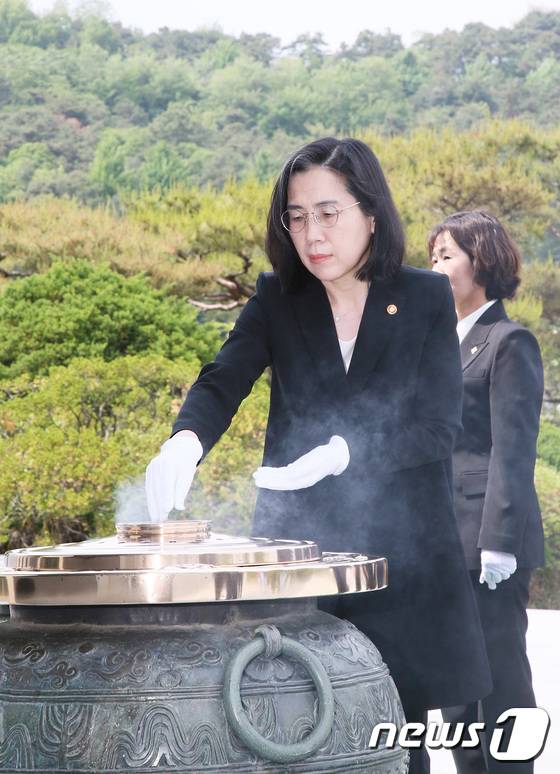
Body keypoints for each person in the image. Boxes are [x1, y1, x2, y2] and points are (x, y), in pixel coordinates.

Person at [146, 138, 491, 774]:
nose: (312, 234)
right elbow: (223, 380)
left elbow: (439, 428)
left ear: (371, 215)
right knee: (291, 728)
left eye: (329, 213)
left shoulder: (423, 296)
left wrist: (345, 453)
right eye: (297, 216)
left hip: (402, 559)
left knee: (397, 740)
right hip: (298, 559)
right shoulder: (279, 297)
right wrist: (185, 441)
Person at [430, 210, 545, 774]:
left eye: (446, 256)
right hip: (444, 540)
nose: (435, 268)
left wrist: (498, 542)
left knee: (500, 686)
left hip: (489, 542)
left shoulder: (509, 341)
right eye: (432, 256)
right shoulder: (438, 343)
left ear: (482, 261)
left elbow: (512, 450)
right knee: (455, 692)